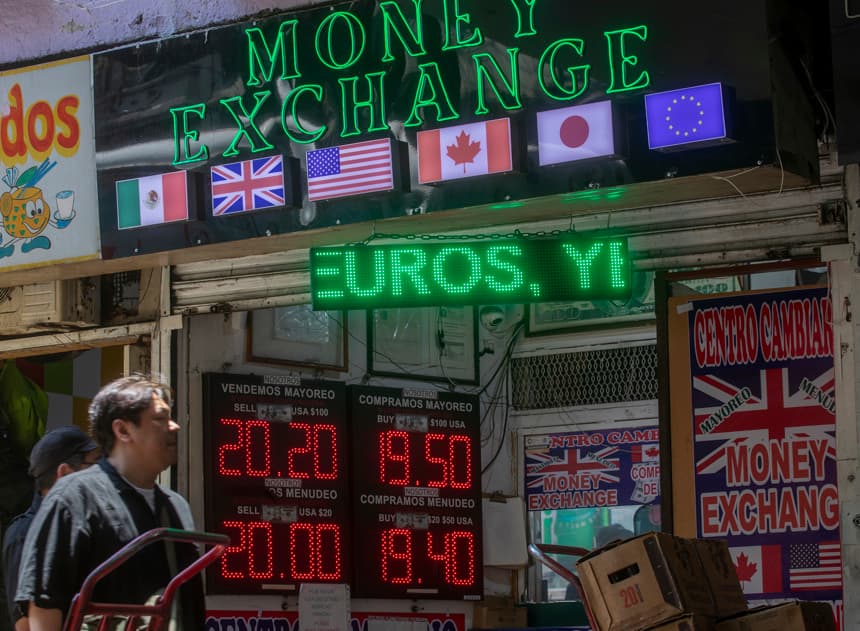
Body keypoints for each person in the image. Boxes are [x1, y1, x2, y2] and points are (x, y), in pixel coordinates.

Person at [14, 374, 205, 631]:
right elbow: (44, 604)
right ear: (123, 430)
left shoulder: (176, 507)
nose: (174, 427)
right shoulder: (74, 499)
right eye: (160, 419)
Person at [2, 426, 101, 631]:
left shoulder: (87, 528)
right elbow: (25, 625)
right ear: (64, 473)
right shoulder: (24, 534)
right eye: (94, 464)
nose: (102, 475)